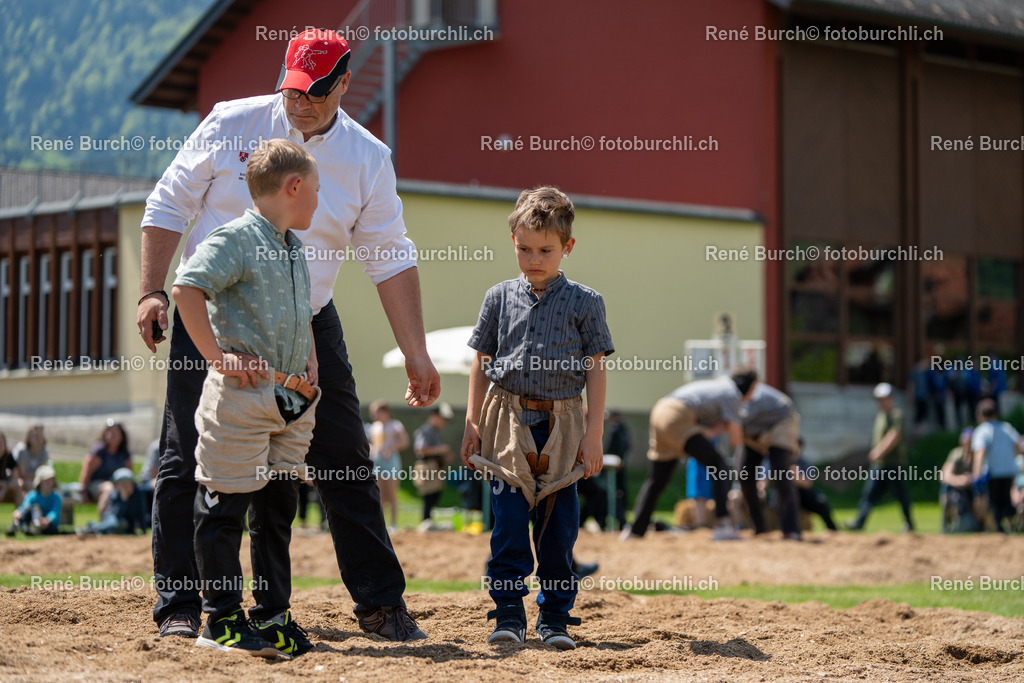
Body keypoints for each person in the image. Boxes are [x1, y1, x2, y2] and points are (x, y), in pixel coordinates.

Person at [136, 28, 438, 640]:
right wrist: (152, 289)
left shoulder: (367, 157)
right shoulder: (231, 122)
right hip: (218, 316)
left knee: (344, 457)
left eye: (316, 93)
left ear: (345, 84)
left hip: (306, 319)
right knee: (185, 454)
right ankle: (180, 607)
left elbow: (387, 255)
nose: (300, 104)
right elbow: (168, 204)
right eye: (294, 90)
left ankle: (381, 604)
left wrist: (416, 354)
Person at [172, 139, 322, 657]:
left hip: (291, 400)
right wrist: (218, 357)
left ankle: (272, 614)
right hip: (241, 398)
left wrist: (311, 356)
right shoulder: (235, 237)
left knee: (277, 509)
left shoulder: (293, 246)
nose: (319, 201)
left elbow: (298, 311)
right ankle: (220, 618)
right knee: (224, 504)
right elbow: (186, 287)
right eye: (316, 191)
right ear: (293, 186)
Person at [461, 187, 613, 650]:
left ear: (566, 247)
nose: (533, 258)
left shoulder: (587, 302)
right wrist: (471, 422)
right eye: (524, 248)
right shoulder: (498, 297)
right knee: (507, 522)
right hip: (505, 420)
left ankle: (554, 618)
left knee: (558, 526)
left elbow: (596, 367)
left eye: (545, 250)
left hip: (564, 425)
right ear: (513, 243)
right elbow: (482, 360)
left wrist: (594, 433)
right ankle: (507, 611)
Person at [623, 370, 757, 542]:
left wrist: (719, 428)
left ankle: (635, 530)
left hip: (660, 411)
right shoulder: (732, 394)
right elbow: (736, 440)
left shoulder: (718, 385)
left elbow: (704, 433)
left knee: (657, 479)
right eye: (753, 390)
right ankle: (722, 524)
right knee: (720, 466)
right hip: (678, 416)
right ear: (748, 386)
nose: (752, 396)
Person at [846, 382, 915, 532]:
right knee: (869, 493)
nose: (880, 402)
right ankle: (859, 522)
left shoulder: (896, 415)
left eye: (883, 399)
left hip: (893, 463)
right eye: (878, 399)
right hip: (880, 464)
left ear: (891, 398)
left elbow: (894, 435)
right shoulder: (881, 416)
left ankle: (909, 523)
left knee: (900, 494)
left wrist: (879, 451)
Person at [738, 383, 802, 540]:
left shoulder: (755, 397)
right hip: (755, 432)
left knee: (780, 475)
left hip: (781, 425)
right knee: (745, 475)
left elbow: (735, 421)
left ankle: (791, 529)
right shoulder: (731, 397)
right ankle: (759, 527)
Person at [970, 399, 1021, 534]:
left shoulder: (982, 430)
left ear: (980, 414)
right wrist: (1014, 457)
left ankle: (998, 528)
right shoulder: (1006, 427)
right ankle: (1012, 525)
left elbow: (980, 452)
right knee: (1006, 499)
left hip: (993, 471)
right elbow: (1018, 445)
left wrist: (976, 474)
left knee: (994, 501)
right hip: (1009, 469)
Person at [412, 402, 455, 530]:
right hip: (427, 467)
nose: (444, 423)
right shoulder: (426, 430)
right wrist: (441, 450)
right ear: (435, 416)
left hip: (434, 466)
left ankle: (428, 522)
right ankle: (425, 523)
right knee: (429, 496)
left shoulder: (434, 431)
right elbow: (420, 450)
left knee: (434, 495)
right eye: (443, 419)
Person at [369, 400, 409, 531]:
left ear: (385, 412)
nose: (374, 415)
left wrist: (391, 449)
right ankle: (381, 524)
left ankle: (393, 524)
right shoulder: (374, 427)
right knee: (379, 494)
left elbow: (404, 442)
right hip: (377, 462)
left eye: (377, 412)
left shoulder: (395, 425)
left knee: (391, 494)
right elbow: (372, 444)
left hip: (391, 463)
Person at [77, 467, 151, 536]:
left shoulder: (139, 494)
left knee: (123, 524)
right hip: (112, 518)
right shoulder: (115, 495)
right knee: (116, 523)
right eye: (122, 483)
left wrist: (144, 532)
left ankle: (93, 527)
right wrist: (124, 499)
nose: (125, 486)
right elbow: (117, 515)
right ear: (117, 485)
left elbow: (142, 513)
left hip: (126, 525)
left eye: (127, 482)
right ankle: (92, 529)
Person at [79, 421, 131, 512]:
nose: (112, 434)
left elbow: (128, 474)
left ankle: (126, 521)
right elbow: (86, 472)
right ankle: (104, 523)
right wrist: (83, 492)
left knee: (127, 489)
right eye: (109, 431)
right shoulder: (99, 451)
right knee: (108, 489)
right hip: (97, 485)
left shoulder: (124, 452)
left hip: (118, 485)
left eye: (115, 432)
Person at [940, 429, 978, 533]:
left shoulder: (979, 454)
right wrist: (959, 480)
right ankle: (947, 518)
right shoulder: (957, 453)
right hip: (956, 488)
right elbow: (943, 475)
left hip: (974, 488)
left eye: (970, 443)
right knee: (946, 487)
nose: (968, 446)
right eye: (966, 442)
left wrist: (971, 479)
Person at [6, 464, 61, 536]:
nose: (49, 483)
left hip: (49, 526)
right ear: (40, 482)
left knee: (36, 508)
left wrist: (47, 520)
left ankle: (35, 526)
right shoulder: (32, 495)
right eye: (46, 480)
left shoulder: (56, 497)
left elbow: (54, 512)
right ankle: (17, 526)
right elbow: (25, 506)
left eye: (51, 480)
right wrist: (19, 511)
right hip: (32, 520)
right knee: (34, 508)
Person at [603, 410, 630, 529]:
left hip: (613, 465)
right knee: (621, 492)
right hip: (621, 464)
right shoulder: (624, 429)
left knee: (613, 491)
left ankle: (619, 520)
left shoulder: (615, 429)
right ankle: (622, 520)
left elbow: (610, 447)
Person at [12, 424, 49, 496]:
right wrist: (37, 477)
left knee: (47, 485)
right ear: (29, 437)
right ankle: (30, 506)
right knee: (29, 485)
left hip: (35, 480)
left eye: (41, 436)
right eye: (36, 436)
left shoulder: (44, 451)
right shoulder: (22, 450)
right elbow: (21, 474)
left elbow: (42, 472)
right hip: (20, 479)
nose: (39, 439)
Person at [0, 430, 25, 506]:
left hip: (5, 486)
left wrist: (6, 486)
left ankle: (20, 515)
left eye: (1, 443)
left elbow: (15, 477)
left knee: (18, 487)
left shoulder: (8, 456)